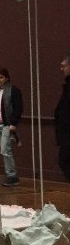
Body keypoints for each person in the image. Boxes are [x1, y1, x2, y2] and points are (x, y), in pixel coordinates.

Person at [0, 68, 23, 186]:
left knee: (5, 150)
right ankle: (10, 175)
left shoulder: (13, 90)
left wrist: (13, 123)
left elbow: (18, 108)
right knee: (4, 150)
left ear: (6, 78)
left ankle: (12, 176)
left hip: (7, 124)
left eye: (1, 77)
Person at [55, 54, 70, 182]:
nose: (62, 69)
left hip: (68, 133)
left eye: (64, 66)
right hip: (65, 133)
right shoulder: (67, 86)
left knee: (64, 160)